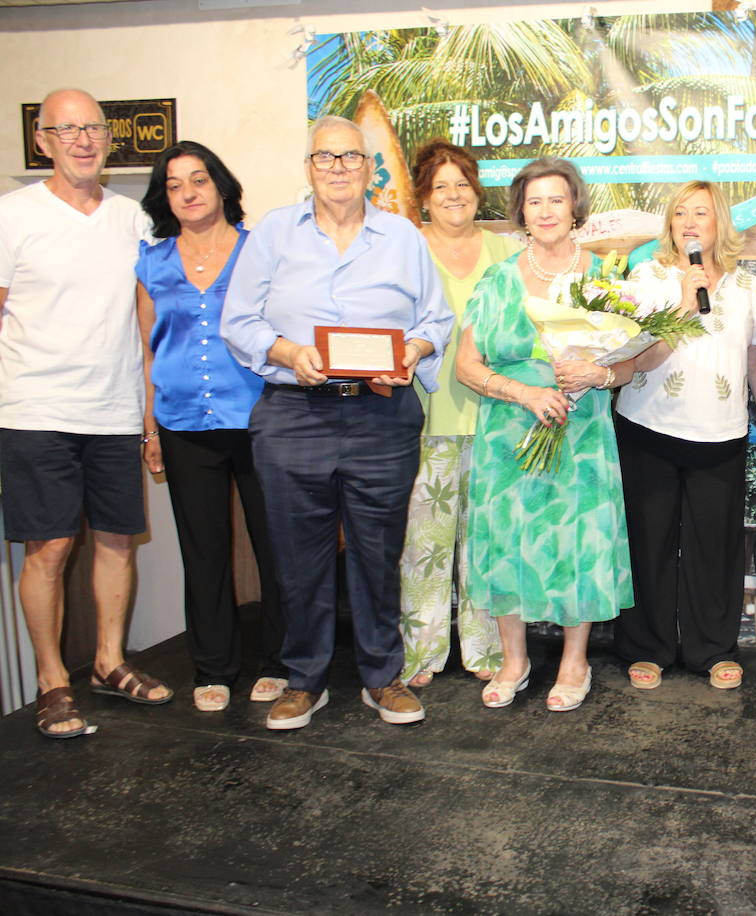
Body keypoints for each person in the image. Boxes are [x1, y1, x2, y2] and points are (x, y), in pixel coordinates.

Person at [222, 115, 453, 730]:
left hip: (381, 412)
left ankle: (383, 677)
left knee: (380, 554)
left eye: (350, 158)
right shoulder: (274, 233)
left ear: (369, 168)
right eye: (325, 158)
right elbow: (239, 322)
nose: (339, 169)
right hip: (294, 414)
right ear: (308, 168)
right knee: (299, 555)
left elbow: (435, 322)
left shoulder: (402, 236)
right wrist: (289, 354)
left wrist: (412, 353)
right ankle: (306, 679)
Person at [0, 88, 170, 738]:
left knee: (116, 540)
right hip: (35, 409)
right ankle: (52, 683)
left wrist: (149, 421)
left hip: (114, 409)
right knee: (48, 547)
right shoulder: (13, 215)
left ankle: (108, 662)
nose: (82, 140)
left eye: (92, 129)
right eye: (65, 130)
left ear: (108, 138)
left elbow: (147, 323)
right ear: (42, 140)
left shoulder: (133, 219)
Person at [453, 157, 633, 712]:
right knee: (505, 538)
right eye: (535, 201)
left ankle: (574, 663)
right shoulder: (498, 279)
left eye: (557, 199)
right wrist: (524, 393)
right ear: (521, 212)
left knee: (577, 540)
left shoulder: (606, 274)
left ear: (575, 207)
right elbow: (466, 365)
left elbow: (633, 363)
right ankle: (515, 659)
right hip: (509, 431)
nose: (546, 210)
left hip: (580, 431)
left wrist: (597, 375)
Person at [136, 141, 285, 712]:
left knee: (275, 546)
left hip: (255, 418)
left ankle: (278, 660)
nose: (188, 193)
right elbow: (149, 351)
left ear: (221, 186)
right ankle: (215, 667)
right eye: (174, 185)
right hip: (181, 422)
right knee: (203, 550)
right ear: (165, 198)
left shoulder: (257, 253)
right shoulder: (152, 262)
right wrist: (149, 429)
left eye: (198, 180)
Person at [612, 181, 756, 691]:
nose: (688, 223)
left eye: (700, 213)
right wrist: (683, 301)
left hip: (720, 434)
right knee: (649, 543)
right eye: (680, 213)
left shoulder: (748, 289)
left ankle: (713, 649)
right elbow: (626, 351)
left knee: (715, 547)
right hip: (648, 428)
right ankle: (647, 648)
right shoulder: (646, 277)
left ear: (718, 223)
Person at [397, 140, 521, 689]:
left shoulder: (505, 254)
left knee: (486, 539)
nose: (453, 196)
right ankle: (421, 654)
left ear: (477, 193)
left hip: (496, 416)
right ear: (424, 198)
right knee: (424, 543)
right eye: (441, 186)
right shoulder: (405, 248)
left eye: (463, 185)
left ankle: (485, 649)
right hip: (425, 414)